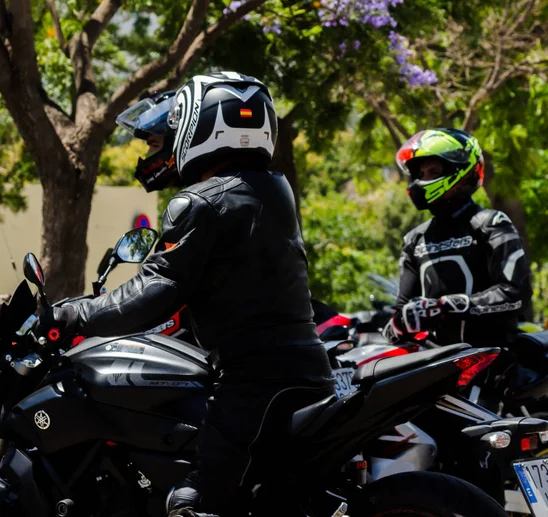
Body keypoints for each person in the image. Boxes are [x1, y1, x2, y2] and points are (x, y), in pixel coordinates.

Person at [36, 72, 333, 517]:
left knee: (190, 504)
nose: (168, 141)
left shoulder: (199, 202)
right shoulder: (275, 190)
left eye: (174, 129)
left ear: (201, 126)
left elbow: (152, 292)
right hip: (307, 371)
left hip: (252, 386)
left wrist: (70, 315)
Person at [384, 128, 532, 347]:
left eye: (433, 171)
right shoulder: (415, 240)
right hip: (437, 366)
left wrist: (451, 306)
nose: (422, 180)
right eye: (419, 173)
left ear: (461, 170)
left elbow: (516, 293)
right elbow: (398, 314)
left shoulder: (491, 224)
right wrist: (399, 324)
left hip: (494, 361)